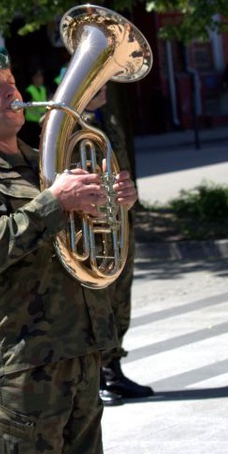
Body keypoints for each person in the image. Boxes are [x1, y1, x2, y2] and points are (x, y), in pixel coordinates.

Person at [0, 44, 138, 454]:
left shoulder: (45, 161)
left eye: (10, 82)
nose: (12, 93)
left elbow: (81, 240)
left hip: (79, 348)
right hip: (23, 365)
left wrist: (112, 204)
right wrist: (54, 203)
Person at [82, 85, 154, 406]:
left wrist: (130, 194)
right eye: (99, 81)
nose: (106, 86)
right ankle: (94, 379)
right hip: (93, 231)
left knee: (120, 301)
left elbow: (121, 171)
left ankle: (113, 370)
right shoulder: (72, 125)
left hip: (119, 223)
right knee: (97, 305)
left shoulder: (107, 120)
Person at [16, 70, 47, 148]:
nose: (41, 79)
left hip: (41, 122)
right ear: (34, 78)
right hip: (31, 124)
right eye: (38, 76)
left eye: (41, 76)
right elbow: (24, 105)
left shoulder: (43, 89)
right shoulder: (29, 91)